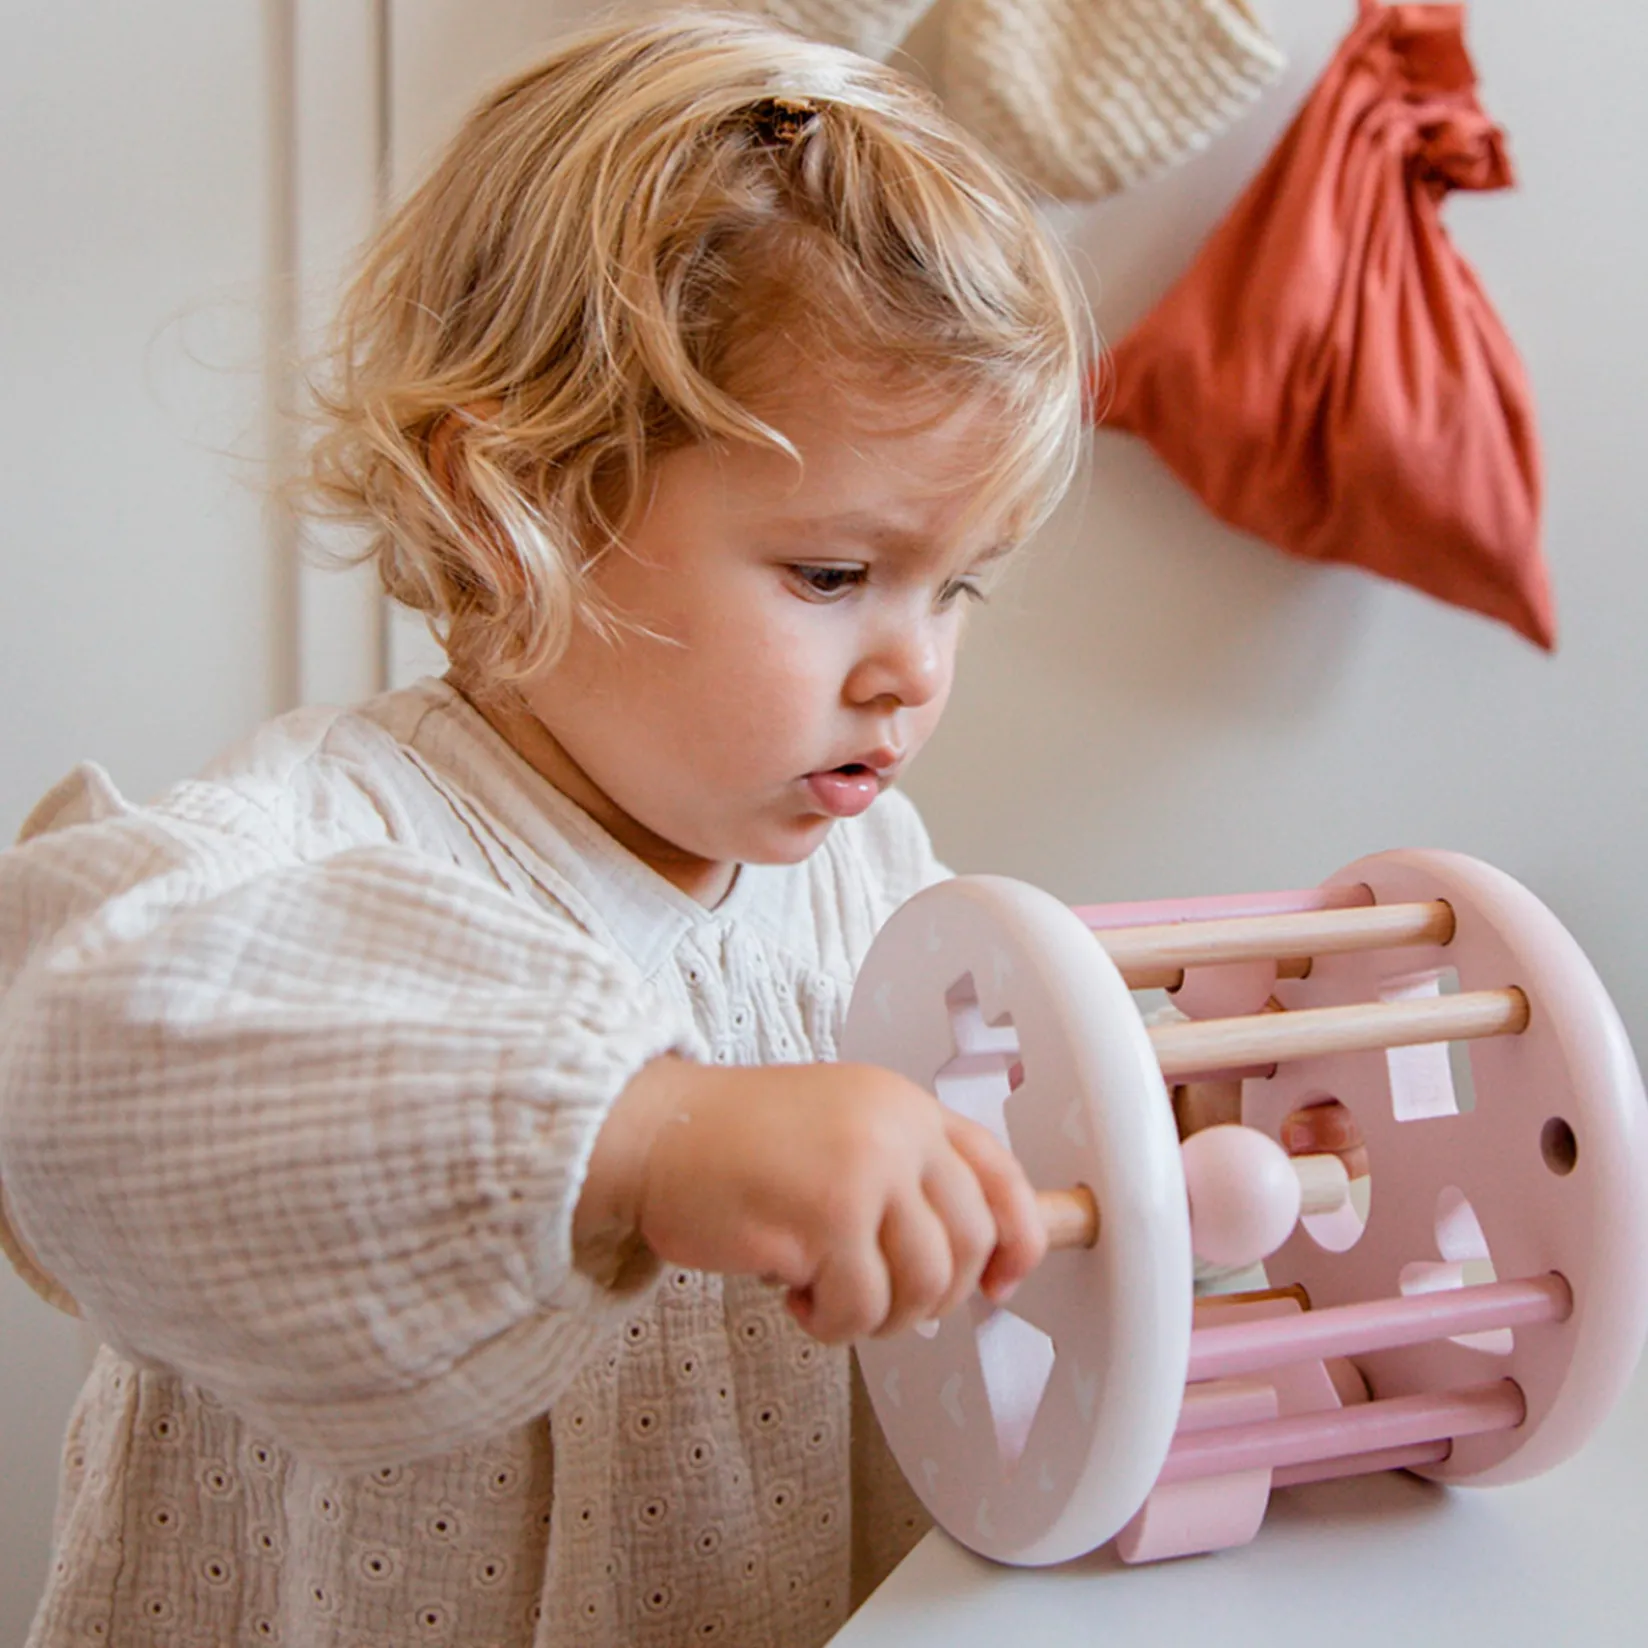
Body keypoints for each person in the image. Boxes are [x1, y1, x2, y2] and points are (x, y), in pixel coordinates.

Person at [0, 11, 1089, 1645]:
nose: (912, 670)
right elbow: (62, 1055)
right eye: (833, 574)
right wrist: (640, 1137)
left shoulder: (875, 878)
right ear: (514, 509)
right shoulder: (340, 835)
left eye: (959, 590)